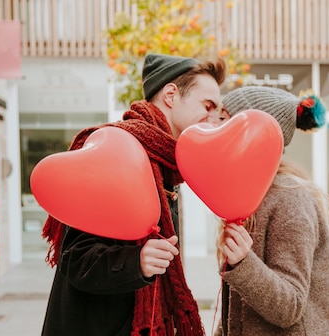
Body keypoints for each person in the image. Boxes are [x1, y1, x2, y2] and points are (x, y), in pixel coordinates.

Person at [41, 53, 226, 336]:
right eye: (208, 106)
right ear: (171, 95)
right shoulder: (117, 150)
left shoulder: (165, 161)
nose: (213, 119)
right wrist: (135, 261)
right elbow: (74, 257)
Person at [214, 86, 329, 336]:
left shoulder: (290, 199)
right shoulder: (247, 194)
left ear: (252, 132)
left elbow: (290, 307)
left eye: (224, 118)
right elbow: (239, 307)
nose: (213, 126)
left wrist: (244, 263)